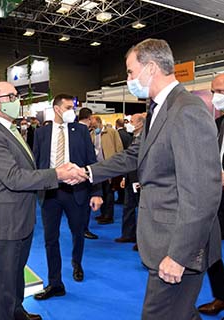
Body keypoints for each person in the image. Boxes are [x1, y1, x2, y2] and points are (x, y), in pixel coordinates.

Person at [87, 38, 222, 319]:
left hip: (178, 244)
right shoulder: (159, 108)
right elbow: (135, 154)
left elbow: (202, 194)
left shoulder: (187, 110)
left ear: (150, 69)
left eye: (129, 71)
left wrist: (180, 255)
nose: (128, 79)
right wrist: (88, 172)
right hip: (163, 238)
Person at [0, 81, 87, 320]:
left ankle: (17, 311)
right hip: (6, 219)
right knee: (3, 282)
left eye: (17, 95)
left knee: (16, 273)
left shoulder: (8, 128)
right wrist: (58, 174)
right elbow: (14, 177)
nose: (18, 100)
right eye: (11, 96)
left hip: (20, 215)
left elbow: (28, 166)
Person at [32, 95, 102, 300]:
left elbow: (92, 161)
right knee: (50, 238)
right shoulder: (42, 133)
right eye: (68, 107)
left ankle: (77, 263)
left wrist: (96, 192)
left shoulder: (80, 131)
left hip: (77, 192)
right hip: (50, 191)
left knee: (77, 232)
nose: (73, 110)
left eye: (74, 107)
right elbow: (37, 164)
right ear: (56, 109)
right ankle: (55, 283)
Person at [197, 73, 224, 316]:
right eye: (214, 91)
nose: (216, 97)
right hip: (215, 197)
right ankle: (220, 296)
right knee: (211, 248)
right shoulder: (216, 125)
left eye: (221, 91)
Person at [114, 113, 145, 249]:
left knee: (143, 213)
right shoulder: (133, 138)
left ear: (140, 124)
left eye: (132, 121)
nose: (129, 123)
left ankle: (142, 242)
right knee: (128, 208)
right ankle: (128, 234)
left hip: (140, 181)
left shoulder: (145, 140)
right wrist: (124, 177)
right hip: (130, 180)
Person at [90, 115, 123, 224]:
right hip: (97, 167)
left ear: (99, 122)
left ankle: (109, 216)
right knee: (101, 191)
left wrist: (118, 164)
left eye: (94, 123)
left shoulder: (112, 132)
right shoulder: (92, 134)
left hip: (109, 166)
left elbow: (119, 147)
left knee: (109, 192)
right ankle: (103, 214)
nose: (93, 126)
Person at [78, 107, 99, 240]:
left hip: (80, 171)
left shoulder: (80, 130)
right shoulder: (83, 131)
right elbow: (88, 155)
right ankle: (83, 229)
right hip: (84, 171)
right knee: (83, 204)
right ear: (89, 118)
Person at [114, 118, 133, 204]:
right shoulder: (128, 134)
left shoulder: (116, 134)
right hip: (128, 159)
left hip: (120, 159)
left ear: (116, 124)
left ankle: (121, 198)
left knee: (120, 180)